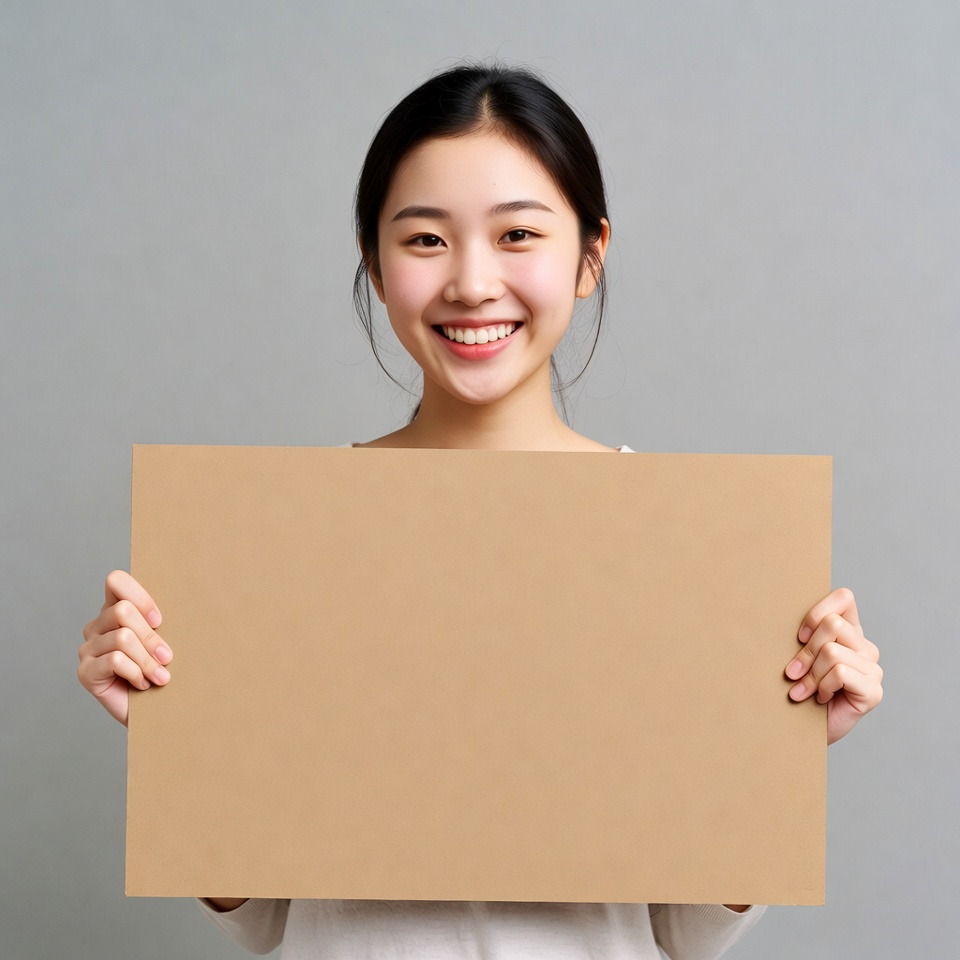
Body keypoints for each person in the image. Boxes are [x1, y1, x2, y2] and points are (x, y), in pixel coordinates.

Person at [77, 62, 884, 959]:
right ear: (374, 265)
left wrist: (780, 740)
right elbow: (261, 918)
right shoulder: (284, 539)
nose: (470, 282)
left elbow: (688, 933)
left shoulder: (682, 545)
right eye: (424, 240)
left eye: (518, 235)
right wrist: (179, 729)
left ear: (590, 257)